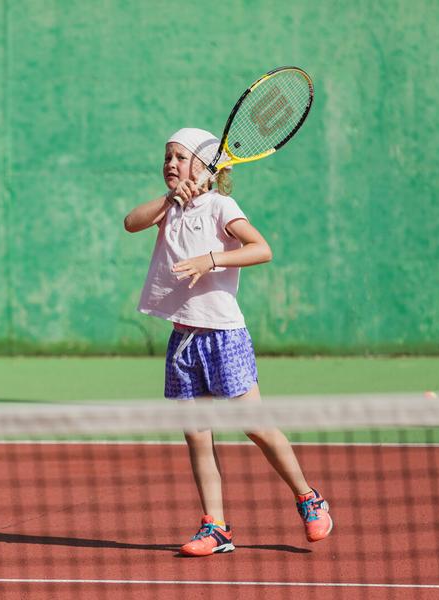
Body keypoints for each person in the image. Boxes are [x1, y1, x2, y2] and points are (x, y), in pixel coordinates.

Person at [123, 128, 333, 556]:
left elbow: (262, 248)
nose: (170, 164)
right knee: (197, 435)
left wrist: (213, 259)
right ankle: (216, 527)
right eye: (167, 157)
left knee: (255, 426)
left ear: (204, 166)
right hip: (183, 340)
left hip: (224, 337)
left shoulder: (221, 205)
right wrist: (170, 199)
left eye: (181, 157)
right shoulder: (169, 210)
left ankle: (309, 498)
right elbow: (130, 223)